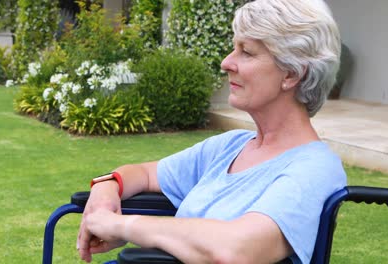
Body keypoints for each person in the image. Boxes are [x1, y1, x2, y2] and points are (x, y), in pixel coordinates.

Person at [77, 0, 347, 263]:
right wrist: (107, 187)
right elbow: (146, 174)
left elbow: (236, 250)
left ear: (291, 74)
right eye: (234, 49)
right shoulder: (230, 147)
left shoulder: (315, 169)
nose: (226, 63)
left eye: (247, 52)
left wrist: (122, 225)